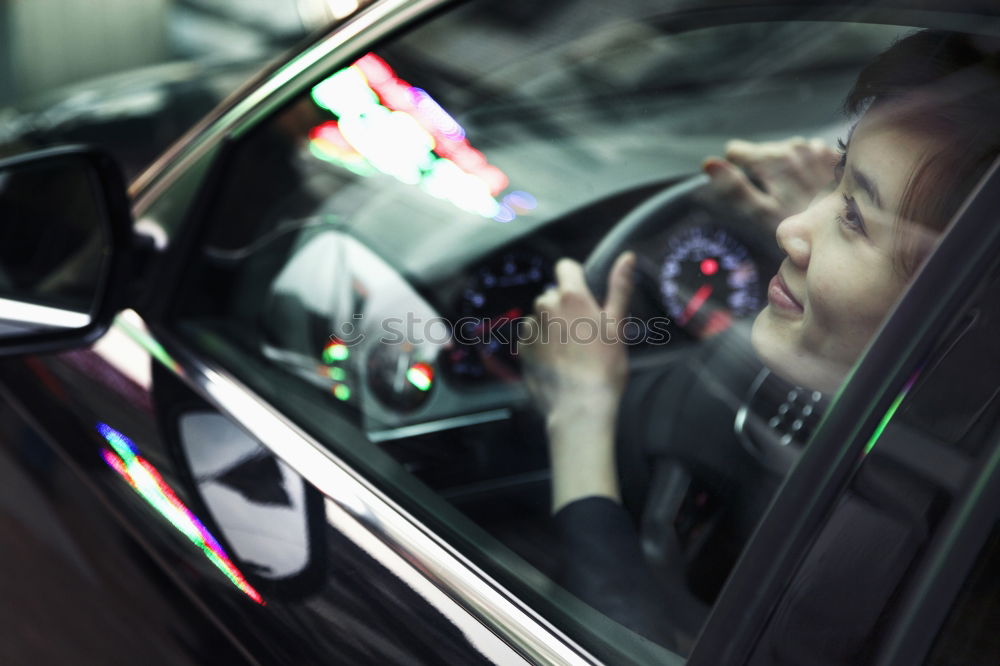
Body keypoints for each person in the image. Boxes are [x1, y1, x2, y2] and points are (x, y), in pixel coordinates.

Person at [519, 29, 1000, 653]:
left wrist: (579, 416)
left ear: (965, 311)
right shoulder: (928, 456)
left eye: (855, 217)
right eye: (837, 176)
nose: (788, 227)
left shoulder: (895, 544)